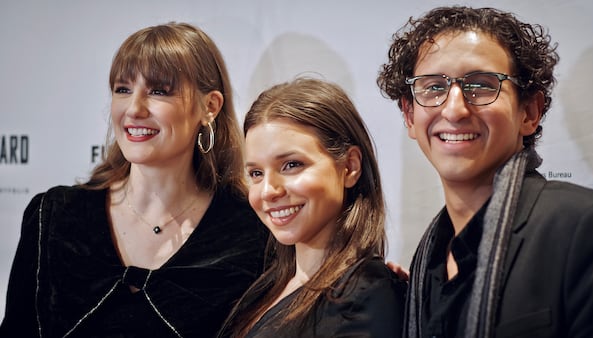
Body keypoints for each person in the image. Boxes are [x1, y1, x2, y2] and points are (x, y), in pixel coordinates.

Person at [0, 22, 268, 338]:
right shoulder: (54, 215)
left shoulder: (252, 231)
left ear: (210, 107)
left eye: (158, 91)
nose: (134, 109)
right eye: (123, 89)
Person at [377, 5, 593, 338]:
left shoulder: (584, 228)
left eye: (481, 85)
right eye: (434, 87)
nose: (454, 109)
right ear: (410, 115)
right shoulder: (428, 263)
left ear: (530, 112)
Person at [217, 78, 407, 337]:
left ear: (350, 167)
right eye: (257, 173)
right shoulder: (268, 285)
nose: (269, 191)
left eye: (292, 165)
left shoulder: (366, 294)